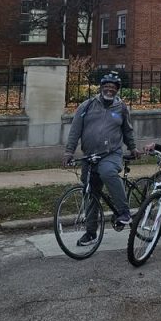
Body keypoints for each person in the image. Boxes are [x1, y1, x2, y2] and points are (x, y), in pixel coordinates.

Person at [61, 73, 138, 237]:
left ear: (117, 90)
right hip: (89, 156)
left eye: (113, 87)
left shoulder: (121, 108)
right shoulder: (86, 106)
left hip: (111, 153)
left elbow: (127, 131)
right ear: (101, 87)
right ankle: (90, 233)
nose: (109, 89)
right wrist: (69, 151)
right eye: (107, 86)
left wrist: (132, 148)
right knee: (90, 193)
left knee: (107, 172)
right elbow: (75, 131)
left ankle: (124, 212)